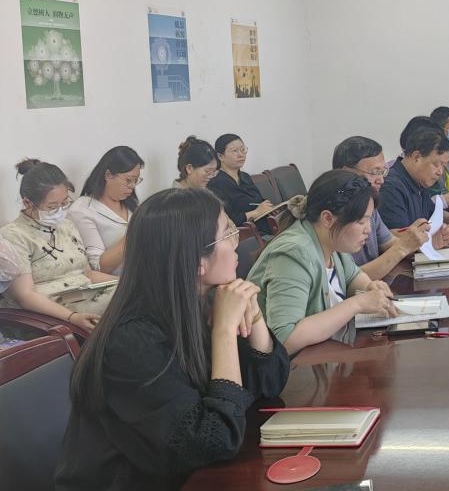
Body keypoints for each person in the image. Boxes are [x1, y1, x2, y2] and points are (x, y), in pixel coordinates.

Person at [55, 187, 290, 490]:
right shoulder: (132, 341)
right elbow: (212, 440)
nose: (236, 243)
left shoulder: (205, 300)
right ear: (196, 261)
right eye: (227, 234)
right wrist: (223, 332)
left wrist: (254, 315)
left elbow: (270, 384)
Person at [247, 170, 399, 355]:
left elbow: (352, 276)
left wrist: (370, 287)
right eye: (361, 222)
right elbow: (285, 339)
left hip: (325, 357)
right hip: (296, 368)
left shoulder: (332, 242)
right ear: (327, 218)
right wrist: (357, 304)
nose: (368, 229)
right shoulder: (293, 254)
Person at [0, 160, 118, 331]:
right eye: (52, 207)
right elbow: (24, 296)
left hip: (84, 295)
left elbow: (87, 273)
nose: (60, 211)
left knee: (138, 291)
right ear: (27, 203)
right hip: (49, 313)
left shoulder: (66, 226)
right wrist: (72, 317)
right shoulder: (14, 235)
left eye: (64, 203)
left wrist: (126, 283)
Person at [332, 136, 432, 280]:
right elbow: (346, 280)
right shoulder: (334, 214)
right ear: (346, 172)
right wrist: (402, 248)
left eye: (383, 172)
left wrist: (419, 241)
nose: (381, 180)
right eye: (375, 172)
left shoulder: (369, 205)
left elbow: (390, 243)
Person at [378, 126, 449, 237]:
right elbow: (397, 240)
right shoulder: (391, 187)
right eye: (436, 164)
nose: (440, 172)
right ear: (416, 157)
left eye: (443, 166)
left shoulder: (419, 182)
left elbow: (431, 215)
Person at [68, 146, 144, 273]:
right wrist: (134, 234)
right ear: (108, 175)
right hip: (113, 283)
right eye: (128, 180)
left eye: (135, 181)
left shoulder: (132, 204)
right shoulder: (82, 210)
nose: (132, 186)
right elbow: (98, 266)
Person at [208, 134, 276, 238]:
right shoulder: (215, 183)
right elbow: (226, 220)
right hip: (249, 236)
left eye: (242, 149)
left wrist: (267, 206)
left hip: (269, 227)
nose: (241, 154)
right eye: (235, 151)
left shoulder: (245, 177)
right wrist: (255, 213)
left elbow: (257, 200)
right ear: (220, 156)